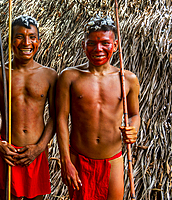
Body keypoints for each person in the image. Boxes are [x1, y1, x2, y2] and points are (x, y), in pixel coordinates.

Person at [56, 15, 140, 200]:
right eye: (91, 43)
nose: (98, 49)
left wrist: (133, 129)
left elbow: (134, 114)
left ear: (115, 45)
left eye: (104, 43)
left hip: (113, 160)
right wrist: (66, 161)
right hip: (79, 158)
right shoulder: (70, 77)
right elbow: (61, 119)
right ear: (83, 45)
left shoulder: (128, 79)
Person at [0, 15, 57, 200]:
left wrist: (39, 147)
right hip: (7, 151)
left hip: (36, 152)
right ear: (10, 41)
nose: (26, 42)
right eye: (19, 36)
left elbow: (56, 117)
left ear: (38, 41)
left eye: (32, 37)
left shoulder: (49, 75)